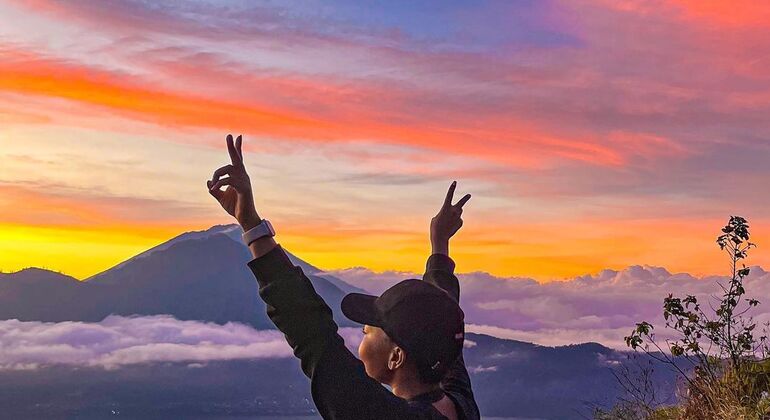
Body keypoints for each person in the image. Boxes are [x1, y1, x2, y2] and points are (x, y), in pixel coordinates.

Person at [207, 134, 480, 420]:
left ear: (396, 357)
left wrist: (250, 222)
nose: (362, 329)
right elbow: (441, 317)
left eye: (370, 329)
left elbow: (312, 332)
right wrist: (440, 246)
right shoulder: (461, 404)